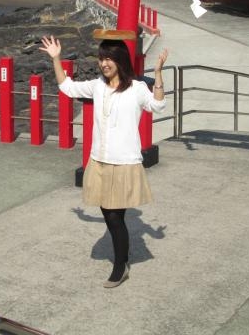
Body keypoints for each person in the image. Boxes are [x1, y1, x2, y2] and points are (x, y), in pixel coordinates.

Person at [40, 32, 168, 288]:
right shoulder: (97, 85)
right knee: (109, 216)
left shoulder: (137, 88)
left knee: (114, 217)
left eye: (109, 58)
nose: (104, 63)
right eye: (101, 58)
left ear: (120, 60)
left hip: (124, 163)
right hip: (99, 161)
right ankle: (123, 260)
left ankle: (120, 266)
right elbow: (67, 87)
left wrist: (158, 72)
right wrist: (56, 58)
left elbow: (158, 105)